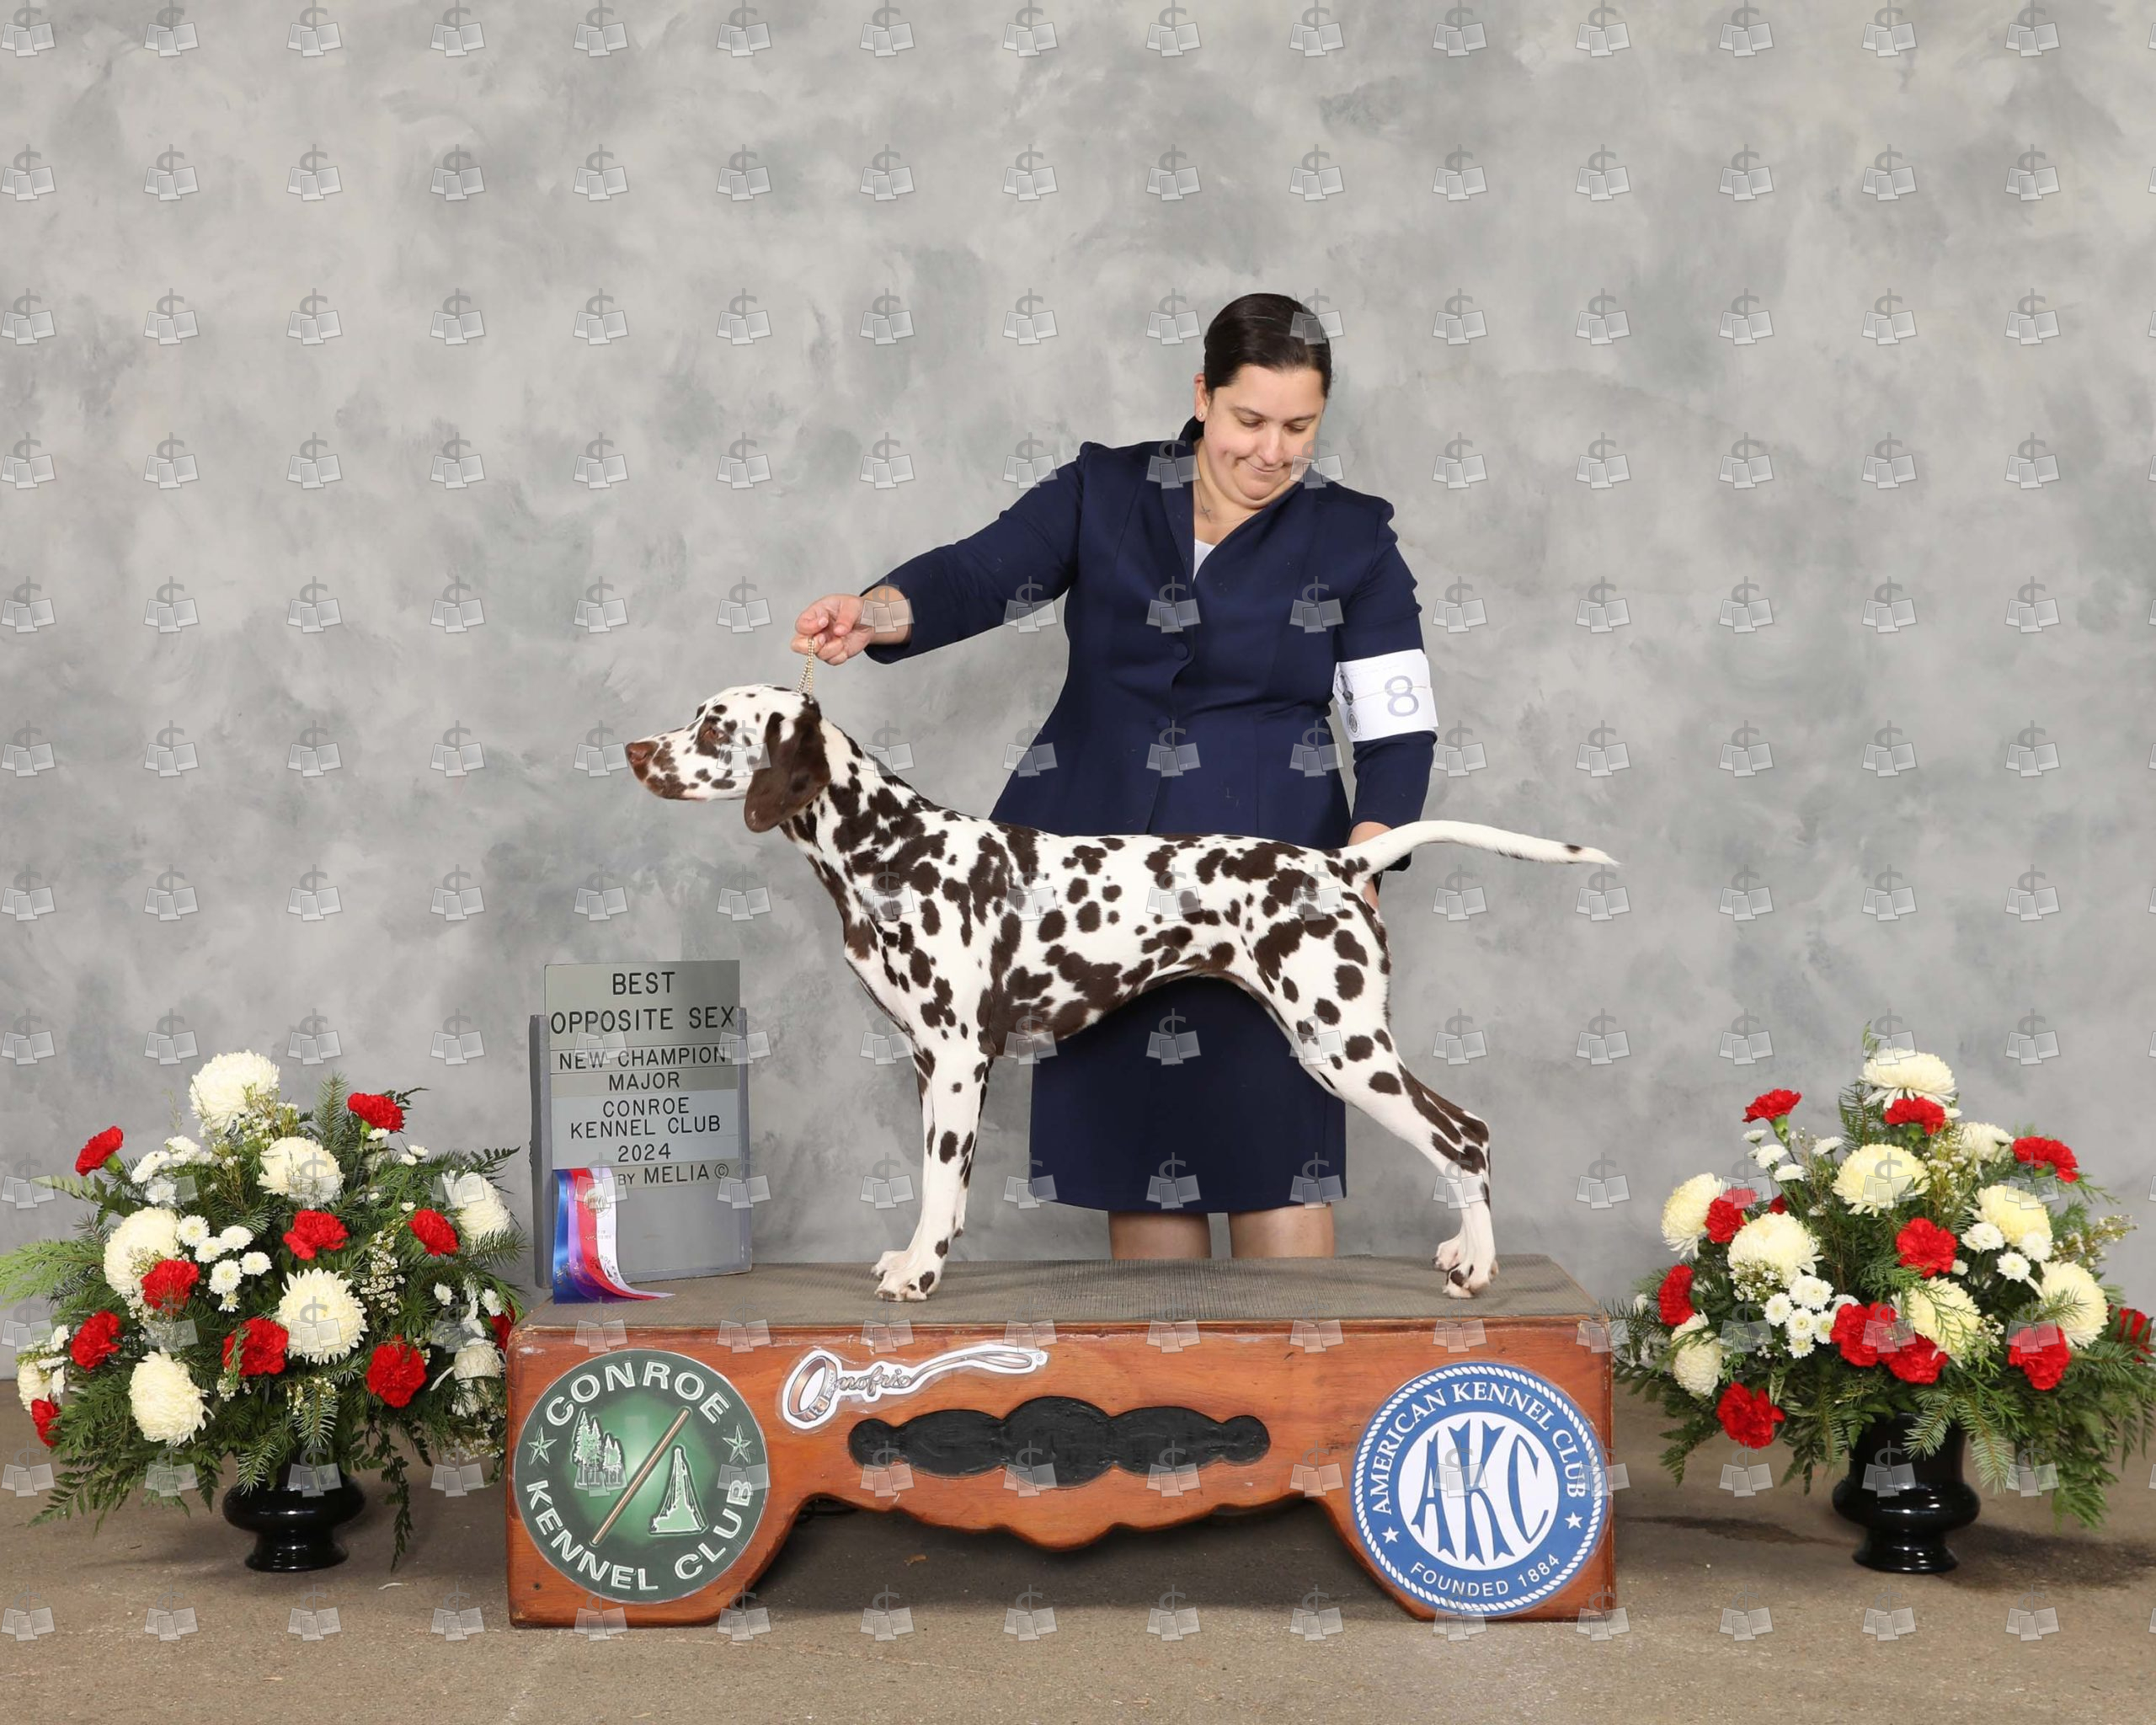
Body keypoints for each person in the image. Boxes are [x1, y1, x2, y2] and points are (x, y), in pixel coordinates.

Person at [788, 292, 1437, 1265]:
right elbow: (978, 575)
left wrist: (1366, 858)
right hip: (1087, 892)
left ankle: (1298, 1368)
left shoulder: (1354, 539)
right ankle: (1170, 1366)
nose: (1272, 451)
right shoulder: (1104, 488)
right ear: (1201, 396)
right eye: (1249, 420)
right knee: (1145, 1164)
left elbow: (1397, 728)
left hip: (1266, 880)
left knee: (1278, 1158)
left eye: (1299, 427)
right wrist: (876, 611)